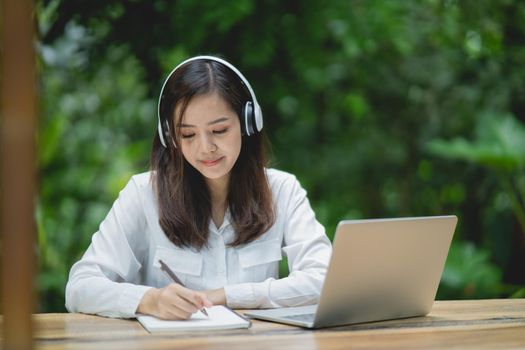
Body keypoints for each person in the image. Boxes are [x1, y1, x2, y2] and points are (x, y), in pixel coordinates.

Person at [65, 55, 332, 320]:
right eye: (188, 135)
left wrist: (228, 296)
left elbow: (324, 280)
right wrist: (149, 300)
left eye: (219, 130)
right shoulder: (144, 193)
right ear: (170, 136)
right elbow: (80, 287)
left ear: (248, 123)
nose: (206, 148)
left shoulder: (282, 190)